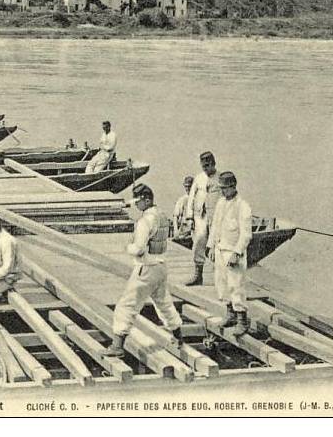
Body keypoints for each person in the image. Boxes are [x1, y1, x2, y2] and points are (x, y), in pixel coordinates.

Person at [104, 184, 183, 357]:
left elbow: (139, 249)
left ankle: (117, 346)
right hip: (161, 266)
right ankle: (178, 337)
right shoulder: (162, 216)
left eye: (138, 201)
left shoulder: (144, 221)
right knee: (164, 304)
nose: (136, 205)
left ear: (147, 200)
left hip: (146, 269)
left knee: (126, 306)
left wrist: (128, 248)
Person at [207, 172, 252, 336]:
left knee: (236, 285)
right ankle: (230, 314)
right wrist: (211, 246)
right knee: (222, 284)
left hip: (233, 253)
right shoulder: (220, 203)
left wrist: (237, 252)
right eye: (221, 189)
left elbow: (246, 234)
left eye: (225, 188)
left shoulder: (243, 206)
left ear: (233, 186)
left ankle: (242, 320)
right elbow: (215, 227)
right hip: (220, 249)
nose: (222, 192)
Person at [183, 151, 221, 286]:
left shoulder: (220, 178)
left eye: (208, 165)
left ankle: (221, 278)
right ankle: (198, 275)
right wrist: (189, 218)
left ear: (213, 163)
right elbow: (191, 197)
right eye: (203, 166)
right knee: (199, 242)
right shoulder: (199, 178)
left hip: (216, 217)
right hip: (200, 216)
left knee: (218, 245)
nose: (206, 168)